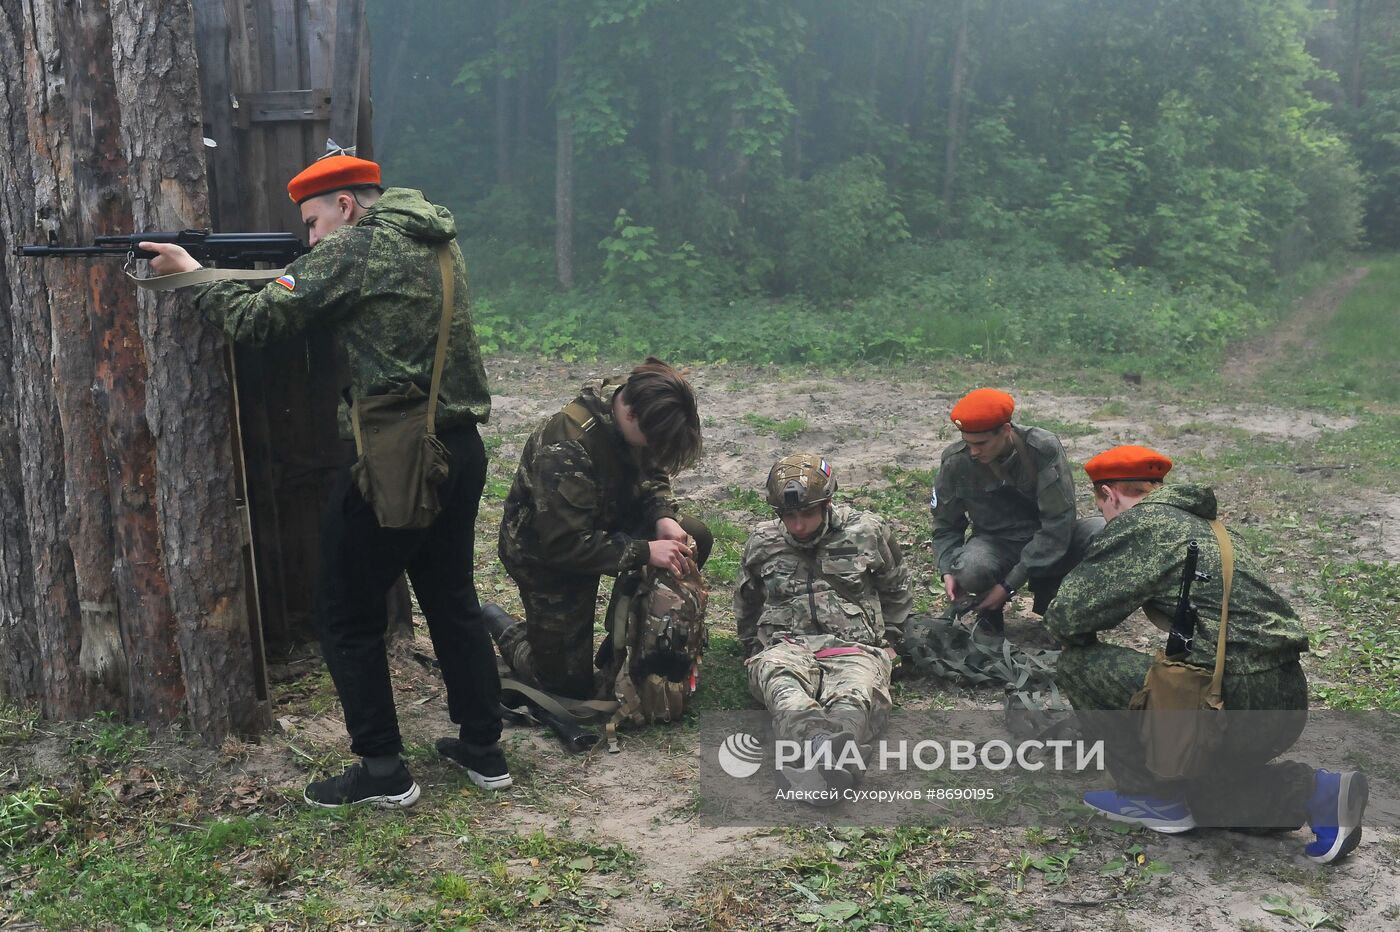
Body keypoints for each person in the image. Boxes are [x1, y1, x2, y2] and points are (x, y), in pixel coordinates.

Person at [143, 152, 508, 808]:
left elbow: (258, 321)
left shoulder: (357, 250)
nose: (308, 240)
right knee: (450, 596)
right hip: (460, 449)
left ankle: (382, 770)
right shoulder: (437, 238)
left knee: (344, 609)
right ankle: (484, 747)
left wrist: (192, 278)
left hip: (397, 459)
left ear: (346, 206)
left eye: (312, 223)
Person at [1046, 445, 1366, 864]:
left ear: (1109, 494)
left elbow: (1067, 619)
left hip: (1231, 697)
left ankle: (1149, 795)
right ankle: (1317, 792)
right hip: (1283, 697)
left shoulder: (1144, 525)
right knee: (1201, 795)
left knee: (1079, 664)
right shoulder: (1207, 525)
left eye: (1102, 506)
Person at [489, 359, 710, 701]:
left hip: (604, 519)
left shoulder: (640, 407)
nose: (653, 450)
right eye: (651, 441)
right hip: (548, 557)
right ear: (631, 415)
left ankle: (628, 638)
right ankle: (505, 629)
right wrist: (645, 551)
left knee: (691, 538)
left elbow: (651, 470)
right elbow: (565, 546)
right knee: (568, 688)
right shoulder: (567, 447)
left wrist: (663, 516)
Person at [734, 454, 912, 797]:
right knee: (783, 687)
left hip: (854, 646)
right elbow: (747, 598)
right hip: (787, 645)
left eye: (806, 514)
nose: (798, 525)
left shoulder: (866, 531)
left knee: (856, 695)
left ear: (827, 504)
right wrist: (752, 648)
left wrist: (892, 639)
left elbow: (896, 585)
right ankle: (824, 749)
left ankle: (826, 759)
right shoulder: (762, 541)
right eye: (789, 516)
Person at [931, 388, 1103, 635]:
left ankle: (1063, 604)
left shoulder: (1041, 449)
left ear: (1006, 431)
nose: (973, 452)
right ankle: (988, 614)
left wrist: (1008, 585)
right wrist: (947, 568)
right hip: (997, 543)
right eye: (967, 443)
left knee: (1102, 534)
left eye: (981, 443)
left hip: (1051, 541)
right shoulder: (956, 462)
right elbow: (946, 525)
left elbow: (1058, 523)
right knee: (971, 567)